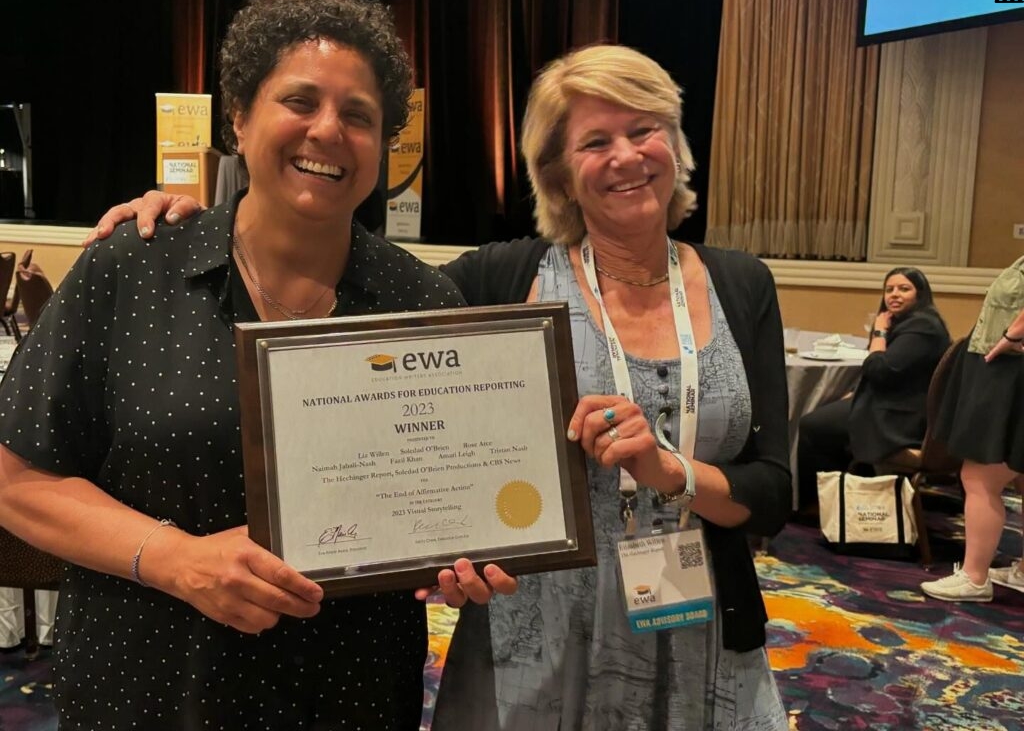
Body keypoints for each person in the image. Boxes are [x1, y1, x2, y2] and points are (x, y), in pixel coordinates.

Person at [94, 44, 792, 729]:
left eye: (645, 130)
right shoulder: (499, 280)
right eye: (594, 141)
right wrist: (212, 221)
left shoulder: (741, 283)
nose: (626, 157)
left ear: (673, 141)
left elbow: (772, 492)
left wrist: (670, 470)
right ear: (558, 172)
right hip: (535, 641)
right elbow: (359, 311)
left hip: (696, 621)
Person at [0, 0, 506, 730]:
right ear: (239, 117)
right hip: (148, 688)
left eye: (359, 115)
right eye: (300, 101)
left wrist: (470, 552)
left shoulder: (424, 302)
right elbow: (17, 480)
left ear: (385, 143)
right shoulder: (132, 268)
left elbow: (455, 500)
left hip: (348, 696)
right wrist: (179, 560)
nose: (328, 130)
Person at [795, 268, 951, 512]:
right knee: (828, 416)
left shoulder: (923, 327)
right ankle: (843, 497)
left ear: (920, 294)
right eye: (889, 289)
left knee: (812, 426)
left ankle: (814, 505)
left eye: (904, 289)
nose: (894, 295)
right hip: (898, 406)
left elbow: (880, 370)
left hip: (900, 419)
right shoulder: (913, 322)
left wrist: (879, 331)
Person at [921, 256, 1024, 602]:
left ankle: (974, 576)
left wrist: (1013, 333)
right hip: (1010, 372)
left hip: (1011, 373)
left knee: (980, 477)